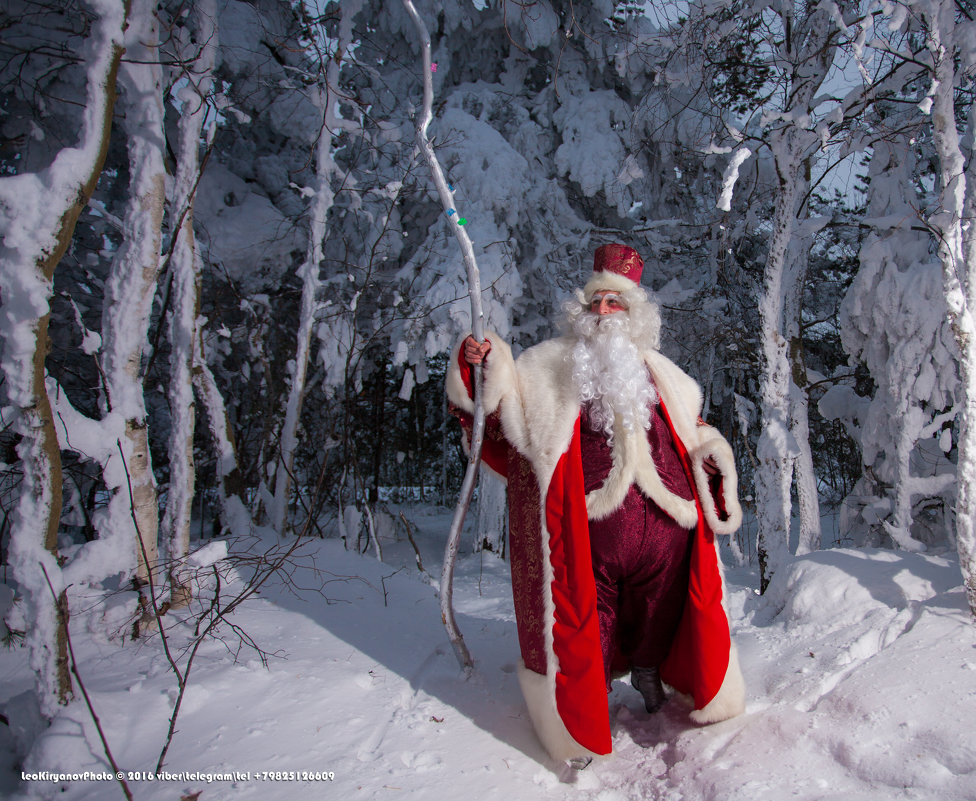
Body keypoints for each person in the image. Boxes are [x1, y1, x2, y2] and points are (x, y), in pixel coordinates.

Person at [446, 243, 745, 765]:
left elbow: (692, 431)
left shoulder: (665, 374)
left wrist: (713, 455)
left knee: (664, 607)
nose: (605, 312)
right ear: (582, 313)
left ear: (635, 315)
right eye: (597, 304)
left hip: (667, 524)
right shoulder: (545, 367)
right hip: (587, 528)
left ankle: (650, 669)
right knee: (587, 619)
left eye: (616, 304)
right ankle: (586, 707)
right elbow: (495, 417)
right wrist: (480, 365)